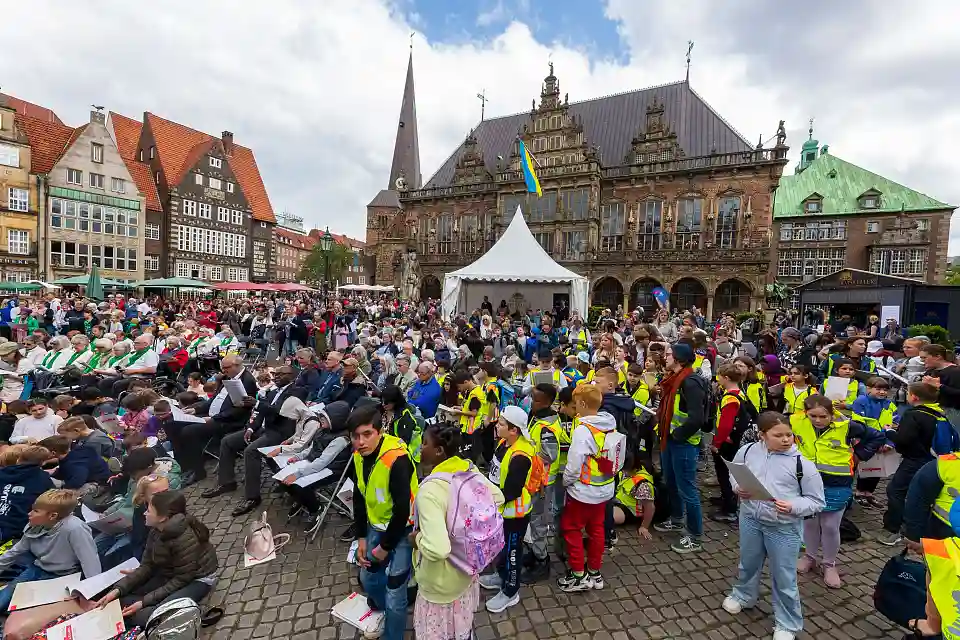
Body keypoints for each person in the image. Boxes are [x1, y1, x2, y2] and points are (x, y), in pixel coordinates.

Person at [721, 412, 825, 640]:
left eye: (789, 434)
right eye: (778, 435)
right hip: (750, 517)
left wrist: (793, 506)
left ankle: (787, 623)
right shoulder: (747, 451)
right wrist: (738, 488)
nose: (786, 439)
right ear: (762, 435)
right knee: (748, 563)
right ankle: (743, 596)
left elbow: (817, 501)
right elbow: (734, 473)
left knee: (784, 576)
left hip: (784, 527)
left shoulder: (802, 464)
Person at [412, 423, 504, 640]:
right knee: (461, 628)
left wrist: (416, 539)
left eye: (424, 443)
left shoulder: (430, 491)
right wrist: (467, 525)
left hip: (440, 584)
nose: (420, 447)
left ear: (438, 451)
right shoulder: (469, 470)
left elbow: (438, 549)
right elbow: (497, 497)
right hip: (467, 570)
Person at [793, 395, 882, 587]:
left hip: (837, 482)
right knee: (809, 523)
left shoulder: (848, 426)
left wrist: (859, 455)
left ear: (832, 414)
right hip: (807, 482)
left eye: (823, 416)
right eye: (813, 416)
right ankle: (809, 556)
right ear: (805, 413)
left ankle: (829, 564)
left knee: (831, 526)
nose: (818, 420)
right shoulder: (796, 421)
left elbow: (877, 436)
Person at [97, 490, 219, 628]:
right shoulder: (155, 530)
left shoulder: (184, 538)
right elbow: (146, 566)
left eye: (149, 511)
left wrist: (143, 602)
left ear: (162, 518)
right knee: (121, 599)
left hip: (197, 579)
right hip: (170, 572)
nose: (144, 513)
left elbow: (182, 579)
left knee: (151, 617)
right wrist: (117, 590)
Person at [350, 404, 418, 640]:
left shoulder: (397, 459)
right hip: (376, 526)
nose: (361, 442)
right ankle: (382, 608)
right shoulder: (358, 455)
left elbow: (401, 510)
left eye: (367, 434)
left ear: (380, 431)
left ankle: (393, 634)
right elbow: (359, 495)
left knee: (395, 593)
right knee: (368, 578)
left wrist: (384, 547)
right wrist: (361, 537)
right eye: (355, 436)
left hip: (403, 531)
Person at [202, 365, 308, 517]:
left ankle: (252, 497)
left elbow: (279, 412)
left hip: (280, 433)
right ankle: (227, 482)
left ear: (292, 376)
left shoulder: (298, 392)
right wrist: (251, 428)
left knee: (251, 451)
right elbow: (260, 413)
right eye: (275, 374)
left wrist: (257, 403)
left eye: (281, 374)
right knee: (227, 441)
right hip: (262, 429)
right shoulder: (272, 392)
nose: (276, 377)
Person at [557, 384, 620, 592]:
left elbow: (574, 465)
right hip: (604, 489)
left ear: (582, 404)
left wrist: (566, 482)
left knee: (572, 529)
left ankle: (578, 576)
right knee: (597, 530)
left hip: (583, 492)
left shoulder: (583, 431)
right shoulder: (609, 424)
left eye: (576, 403)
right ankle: (594, 572)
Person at [0, 489, 101, 612]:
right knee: (3, 600)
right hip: (37, 568)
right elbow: (15, 552)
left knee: (25, 610)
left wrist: (89, 592)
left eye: (36, 511)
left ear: (52, 515)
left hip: (63, 576)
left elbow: (90, 562)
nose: (29, 514)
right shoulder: (34, 525)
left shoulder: (75, 528)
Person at [653, 342, 709, 554]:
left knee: (687, 489)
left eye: (668, 354)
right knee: (671, 482)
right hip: (669, 439)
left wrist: (677, 434)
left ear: (678, 359)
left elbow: (696, 418)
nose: (665, 357)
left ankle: (694, 535)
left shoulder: (690, 382)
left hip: (683, 443)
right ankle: (676, 519)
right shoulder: (673, 379)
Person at [480, 406, 537, 612]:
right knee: (501, 547)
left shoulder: (520, 456)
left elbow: (511, 491)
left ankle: (511, 590)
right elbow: (492, 464)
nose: (498, 425)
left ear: (514, 430)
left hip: (515, 515)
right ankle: (501, 576)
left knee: (513, 552)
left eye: (502, 424)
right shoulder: (504, 442)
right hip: (502, 511)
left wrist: (486, 497)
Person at [878, 382, 947, 546]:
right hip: (934, 461)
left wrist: (890, 432)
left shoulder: (913, 414)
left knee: (896, 491)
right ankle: (920, 529)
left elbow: (903, 441)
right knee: (923, 496)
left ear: (914, 397)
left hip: (914, 460)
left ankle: (894, 529)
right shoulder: (939, 414)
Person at [522, 383, 563, 584]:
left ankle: (541, 560)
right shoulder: (538, 417)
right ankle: (536, 553)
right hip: (536, 480)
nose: (532, 402)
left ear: (546, 402)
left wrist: (528, 453)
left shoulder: (547, 426)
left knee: (539, 522)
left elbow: (549, 455)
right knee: (534, 519)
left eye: (536, 400)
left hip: (543, 482)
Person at [0, 445, 56, 544]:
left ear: (19, 459)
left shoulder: (2, 473)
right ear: (43, 462)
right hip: (17, 531)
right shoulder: (43, 479)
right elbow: (54, 502)